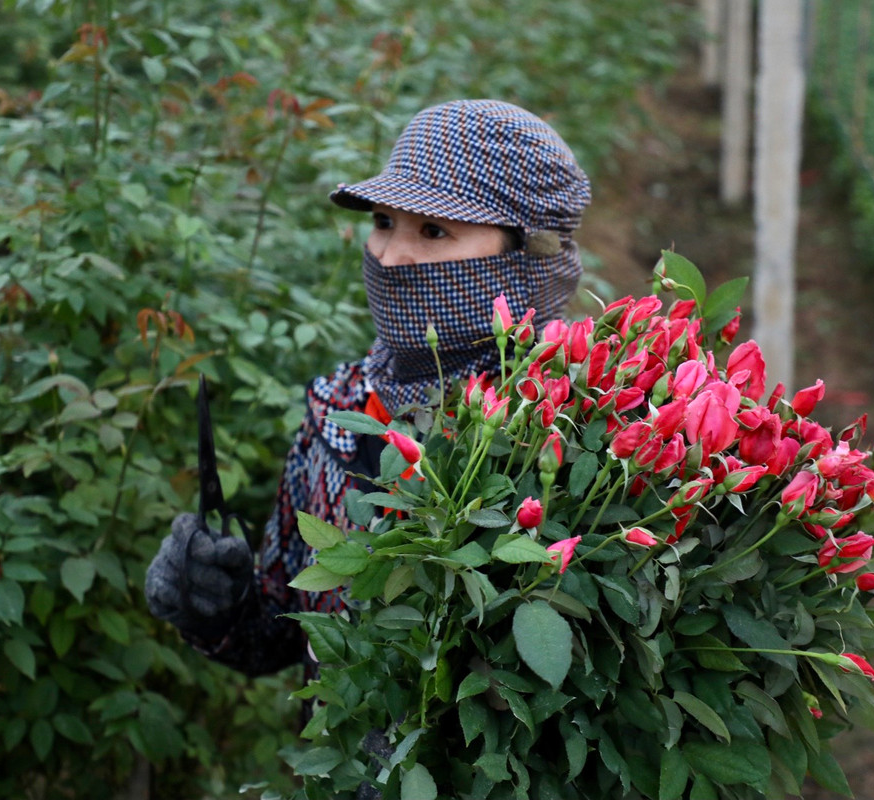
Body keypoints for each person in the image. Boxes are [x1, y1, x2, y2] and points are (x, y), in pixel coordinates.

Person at [144, 98, 591, 676]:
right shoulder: (344, 407)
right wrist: (217, 606)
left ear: (528, 260)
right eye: (383, 221)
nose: (390, 254)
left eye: (433, 230)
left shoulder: (568, 433)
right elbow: (288, 633)